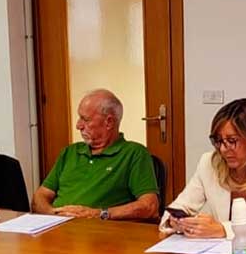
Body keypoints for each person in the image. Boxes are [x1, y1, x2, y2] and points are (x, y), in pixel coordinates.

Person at [159, 98, 246, 238]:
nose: (223, 149)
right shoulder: (209, 162)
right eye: (218, 140)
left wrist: (223, 229)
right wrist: (175, 222)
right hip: (220, 249)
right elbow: (180, 206)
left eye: (232, 141)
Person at [32, 89, 159, 220]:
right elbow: (40, 196)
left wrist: (99, 214)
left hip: (97, 228)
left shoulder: (134, 153)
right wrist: (52, 214)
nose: (78, 126)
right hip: (56, 225)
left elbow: (150, 206)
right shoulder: (69, 152)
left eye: (85, 119)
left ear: (109, 122)